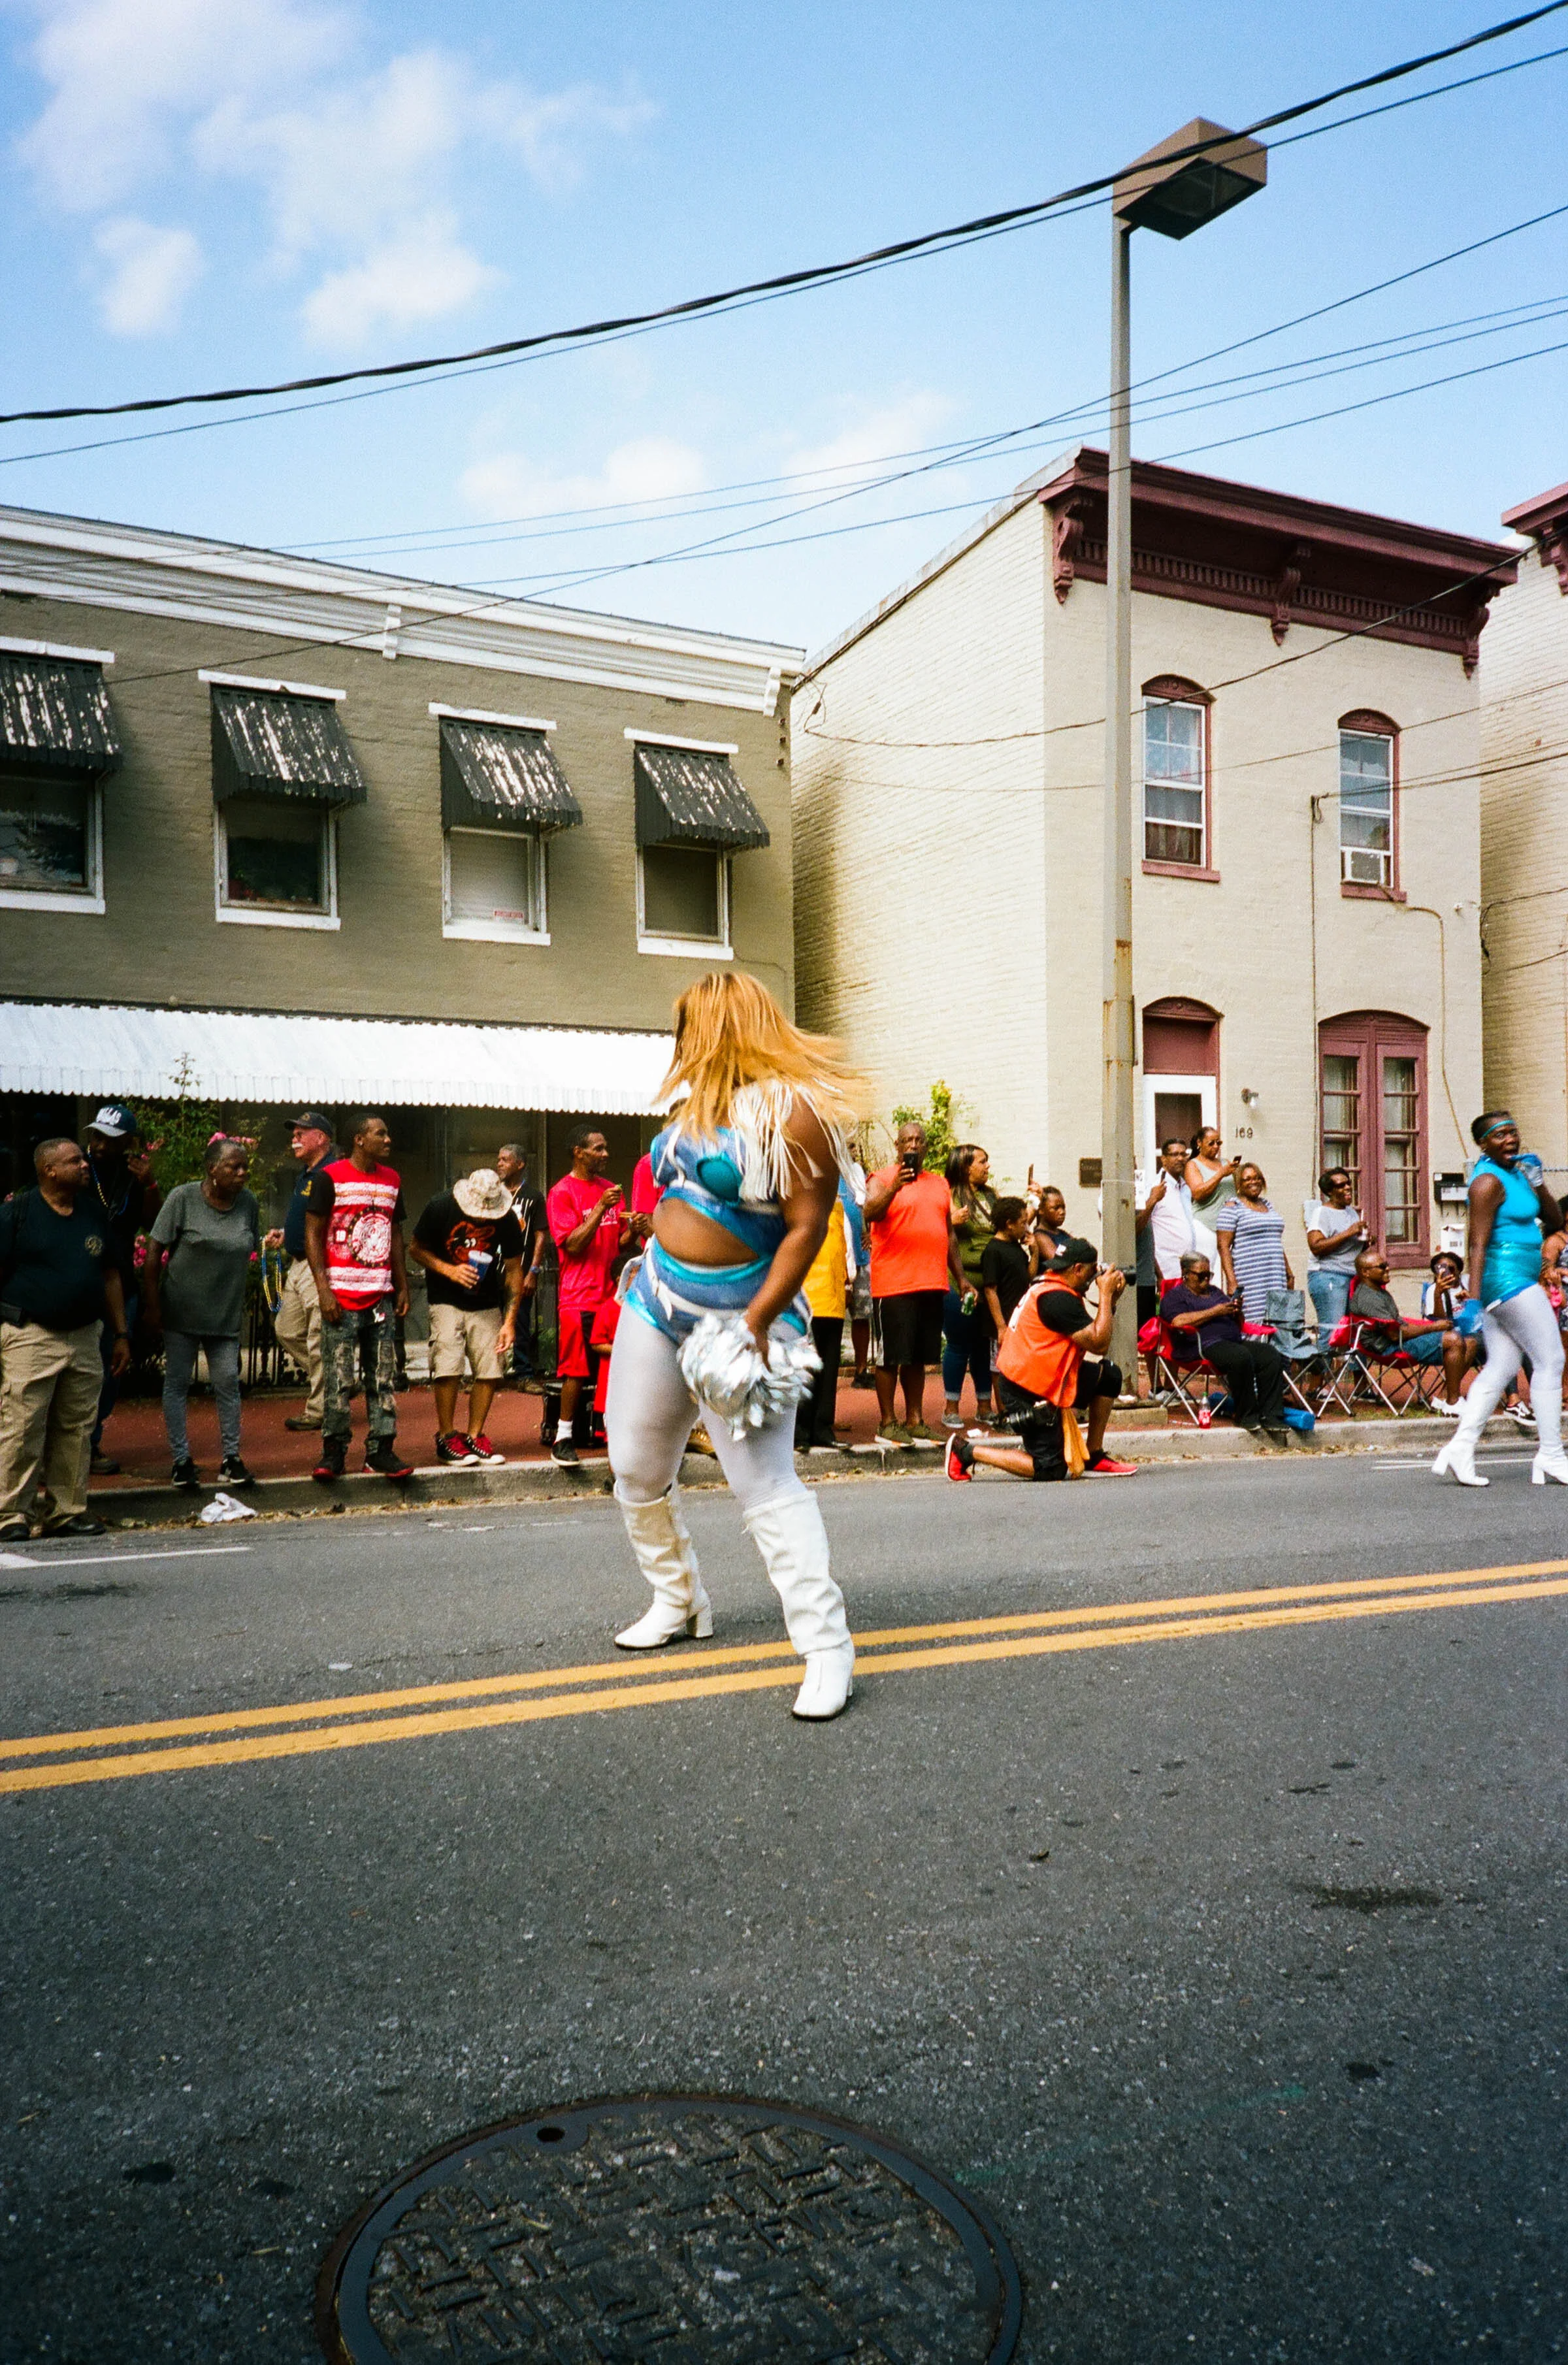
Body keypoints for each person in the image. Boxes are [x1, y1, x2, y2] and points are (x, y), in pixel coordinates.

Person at [606, 970, 861, 1721]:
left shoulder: (792, 1109)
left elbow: (808, 1227)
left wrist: (757, 1320)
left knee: (764, 1483)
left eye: (688, 1023)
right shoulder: (695, 1108)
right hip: (657, 1300)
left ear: (721, 1024)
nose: (679, 1037)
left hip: (743, 1316)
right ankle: (678, 1599)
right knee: (634, 1463)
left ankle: (826, 1647)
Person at [0, 1138, 130, 1541]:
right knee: (23, 1425)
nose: (85, 1165)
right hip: (31, 1335)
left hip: (85, 1336)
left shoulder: (93, 1213)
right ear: (49, 1170)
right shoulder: (16, 1214)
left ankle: (66, 1511)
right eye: (74, 1161)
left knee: (76, 1428)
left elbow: (110, 1274)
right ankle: (10, 1515)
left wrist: (121, 1332)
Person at [1434, 1111, 1567, 1487]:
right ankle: (1552, 1454)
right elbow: (1476, 1242)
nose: (1510, 1139)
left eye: (1514, 1132)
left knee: (1502, 1365)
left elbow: (1555, 1221)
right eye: (1500, 1134)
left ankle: (1460, 1448)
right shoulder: (1487, 1182)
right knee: (1552, 1359)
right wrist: (1472, 1299)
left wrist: (1539, 1183)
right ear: (1483, 1144)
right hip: (1504, 1279)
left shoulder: (1518, 1174)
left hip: (1518, 1277)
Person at [947, 1239, 1137, 1482]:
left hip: (1047, 1375)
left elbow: (1093, 1332)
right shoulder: (1057, 1299)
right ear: (1077, 1269)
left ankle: (1094, 1454)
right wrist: (1106, 1295)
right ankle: (965, 1451)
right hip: (1026, 1389)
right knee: (1049, 1469)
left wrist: (1111, 1301)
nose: (1096, 1276)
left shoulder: (1051, 1285)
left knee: (1108, 1376)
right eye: (1092, 1270)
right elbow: (1099, 1344)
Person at [142, 1136, 261, 1488]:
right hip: (181, 1309)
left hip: (224, 1313)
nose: (242, 1174)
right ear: (212, 1169)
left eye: (244, 1168)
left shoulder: (248, 1203)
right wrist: (153, 1306)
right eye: (233, 1167)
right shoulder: (183, 1198)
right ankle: (181, 1460)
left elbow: (248, 1245)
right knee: (177, 1383)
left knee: (227, 1382)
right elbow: (153, 1253)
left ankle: (231, 1458)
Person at [302, 1113, 414, 1482]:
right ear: (359, 1139)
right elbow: (314, 1234)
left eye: (388, 1133)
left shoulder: (393, 1180)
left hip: (379, 1293)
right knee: (338, 1376)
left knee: (382, 1375)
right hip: (341, 1293)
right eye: (380, 1133)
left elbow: (395, 1234)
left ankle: (381, 1449)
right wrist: (324, 1290)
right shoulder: (328, 1178)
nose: (388, 1139)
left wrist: (402, 1284)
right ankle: (333, 1451)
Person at [410, 1169, 524, 1466]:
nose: (485, 1217)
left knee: (490, 1367)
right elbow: (416, 1250)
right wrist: (449, 1270)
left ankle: (475, 1435)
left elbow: (514, 1271)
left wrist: (510, 1322)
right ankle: (447, 1436)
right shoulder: (441, 1206)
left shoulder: (507, 1218)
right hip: (445, 1297)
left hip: (486, 1300)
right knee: (448, 1365)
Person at [864, 1120, 965, 1450]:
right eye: (906, 1140)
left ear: (925, 1147)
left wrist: (961, 1278)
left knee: (918, 1357)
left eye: (918, 1140)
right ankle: (887, 1422)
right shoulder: (880, 1178)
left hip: (931, 1282)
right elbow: (871, 1213)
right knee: (890, 1356)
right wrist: (895, 1186)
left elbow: (948, 1233)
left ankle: (915, 1420)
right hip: (893, 1283)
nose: (913, 1145)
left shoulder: (939, 1184)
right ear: (897, 1146)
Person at [83, 1102, 162, 1475]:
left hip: (120, 1287)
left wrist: (150, 1184)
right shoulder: (78, 1169)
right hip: (80, 1284)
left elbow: (152, 1224)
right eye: (96, 1135)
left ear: (128, 1142)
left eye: (110, 1139)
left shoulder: (133, 1176)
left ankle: (91, 1442)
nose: (99, 1145)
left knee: (110, 1369)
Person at [546, 1128, 630, 1467]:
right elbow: (574, 1244)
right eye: (598, 1149)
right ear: (578, 1152)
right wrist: (598, 1209)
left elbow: (617, 1245)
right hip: (577, 1296)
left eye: (606, 1147)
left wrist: (634, 1229)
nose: (606, 1154)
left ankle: (617, 1433)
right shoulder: (561, 1193)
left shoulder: (612, 1190)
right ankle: (563, 1437)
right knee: (575, 1371)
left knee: (619, 1364)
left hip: (611, 1297)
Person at [1161, 1250, 1290, 1443]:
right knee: (1240, 1356)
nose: (1206, 1280)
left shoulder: (1216, 1292)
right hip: (1201, 1345)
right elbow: (1178, 1321)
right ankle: (1246, 1415)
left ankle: (1271, 1415)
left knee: (1270, 1355)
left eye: (1209, 1275)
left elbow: (1238, 1322)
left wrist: (1236, 1310)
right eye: (1201, 1276)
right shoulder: (1176, 1296)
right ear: (1186, 1274)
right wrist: (1214, 1312)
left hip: (1232, 1341)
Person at [265, 1110, 335, 1431]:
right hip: (297, 1262)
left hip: (318, 1264)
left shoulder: (332, 1172)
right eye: (293, 1133)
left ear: (320, 1138)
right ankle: (337, 1381)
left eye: (301, 1133)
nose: (294, 1138)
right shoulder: (308, 1173)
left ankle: (320, 1408)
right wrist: (284, 1233)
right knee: (287, 1330)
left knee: (319, 1338)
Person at [1347, 1247, 1473, 1412]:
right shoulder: (1368, 1298)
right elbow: (1394, 1335)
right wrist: (1433, 1327)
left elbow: (1398, 1325)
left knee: (1467, 1341)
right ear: (1366, 1272)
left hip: (1397, 1339)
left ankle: (1447, 1399)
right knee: (1454, 1340)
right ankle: (1453, 1402)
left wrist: (1432, 1327)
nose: (1388, 1268)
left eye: (1387, 1264)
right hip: (1388, 1348)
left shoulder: (1378, 1291)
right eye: (1382, 1266)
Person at [942, 1143, 996, 1428]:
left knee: (983, 1345)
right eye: (982, 1162)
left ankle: (985, 1406)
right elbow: (935, 1233)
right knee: (959, 1344)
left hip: (990, 1284)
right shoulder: (949, 1195)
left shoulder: (991, 1196)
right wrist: (949, 1221)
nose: (987, 1167)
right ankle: (951, 1407)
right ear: (965, 1167)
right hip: (959, 1283)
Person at [795, 1181, 849, 1454]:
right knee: (805, 1366)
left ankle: (822, 1427)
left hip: (833, 1294)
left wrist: (847, 1282)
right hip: (805, 1295)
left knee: (828, 1367)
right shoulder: (795, 1201)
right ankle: (799, 1431)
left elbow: (846, 1247)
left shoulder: (839, 1206)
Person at [495, 1142, 548, 1378]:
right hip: (491, 1272)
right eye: (499, 1159)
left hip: (520, 1272)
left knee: (521, 1323)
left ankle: (523, 1373)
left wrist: (533, 1271)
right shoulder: (493, 1194)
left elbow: (540, 1235)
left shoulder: (533, 1197)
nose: (499, 1164)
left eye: (505, 1160)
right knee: (490, 1324)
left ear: (520, 1164)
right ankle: (491, 1372)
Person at [1215, 1164, 1293, 1324]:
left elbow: (1275, 1239)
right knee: (1253, 1320)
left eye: (1257, 1178)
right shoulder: (1232, 1208)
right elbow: (1223, 1247)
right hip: (1250, 1276)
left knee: (1276, 1319)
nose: (1254, 1182)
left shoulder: (1268, 1205)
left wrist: (1288, 1271)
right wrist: (1231, 1281)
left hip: (1275, 1274)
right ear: (1239, 1184)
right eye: (1248, 1179)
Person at [1302, 1167, 1369, 1337]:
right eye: (1341, 1186)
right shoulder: (1322, 1213)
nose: (1347, 1188)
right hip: (1329, 1276)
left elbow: (1348, 1249)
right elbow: (1316, 1246)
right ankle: (1326, 1364)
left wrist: (1366, 1242)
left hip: (1351, 1277)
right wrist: (1348, 1232)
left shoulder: (1351, 1212)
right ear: (1330, 1192)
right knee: (1333, 1332)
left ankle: (1352, 1365)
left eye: (1348, 1183)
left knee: (1353, 1332)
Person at [1137, 1139, 1199, 1287]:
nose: (1180, 1158)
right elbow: (1140, 1226)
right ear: (1163, 1159)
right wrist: (1153, 1200)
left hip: (1187, 1268)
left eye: (1184, 1155)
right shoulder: (1154, 1186)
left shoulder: (1185, 1187)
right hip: (1167, 1270)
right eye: (1175, 1155)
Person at [1185, 1126, 1240, 1268]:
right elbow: (1198, 1193)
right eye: (1211, 1143)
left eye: (1218, 1143)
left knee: (1232, 1268)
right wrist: (1221, 1174)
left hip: (1229, 1226)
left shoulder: (1225, 1163)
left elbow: (1235, 1191)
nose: (1216, 1147)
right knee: (1206, 1267)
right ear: (1200, 1143)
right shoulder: (1193, 1165)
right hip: (1206, 1224)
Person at [1031, 1183, 1070, 1267]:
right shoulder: (1040, 1236)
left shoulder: (1063, 1234)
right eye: (1056, 1208)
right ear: (1041, 1210)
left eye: (1063, 1207)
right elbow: (1060, 1263)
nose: (1062, 1212)